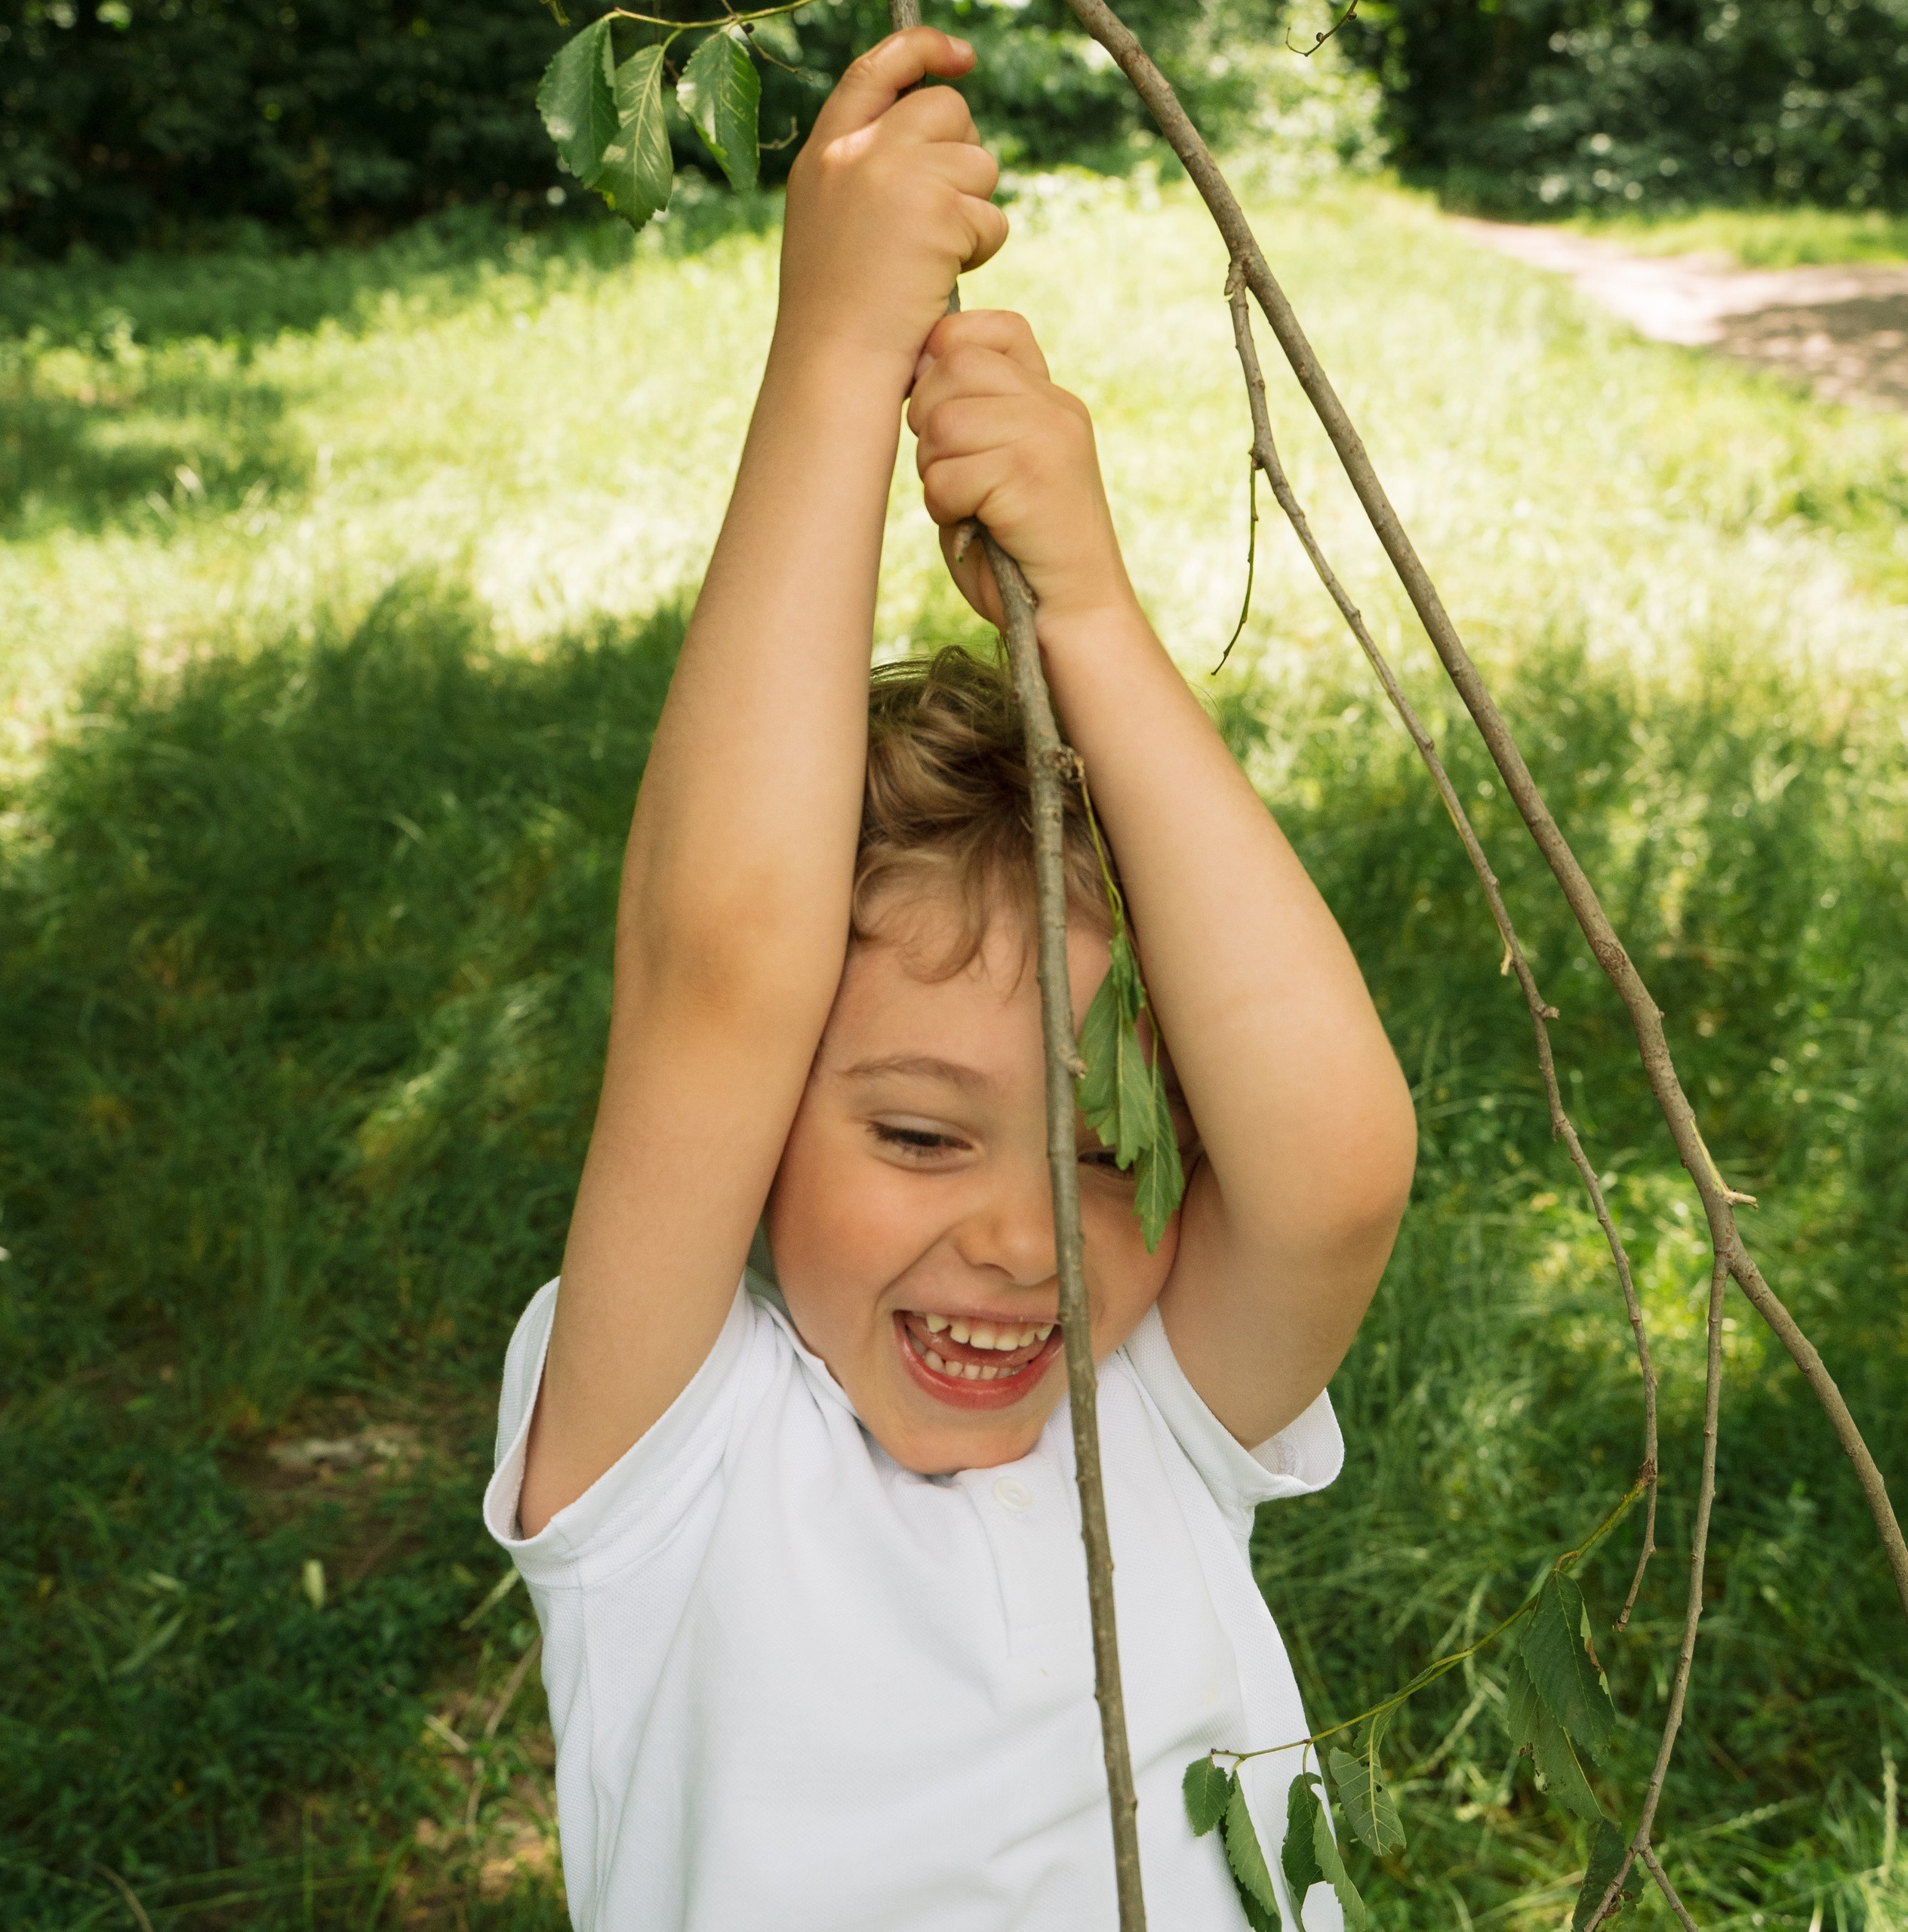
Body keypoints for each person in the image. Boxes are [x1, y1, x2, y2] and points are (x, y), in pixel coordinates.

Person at [483, 26, 1415, 1930]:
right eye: (918, 1129)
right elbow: (717, 968)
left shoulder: (1146, 1419)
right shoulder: (671, 1457)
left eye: (1102, 1150)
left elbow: (1330, 1162)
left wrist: (1089, 612)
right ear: (766, 1124)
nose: (1026, 1242)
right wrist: (832, 361)